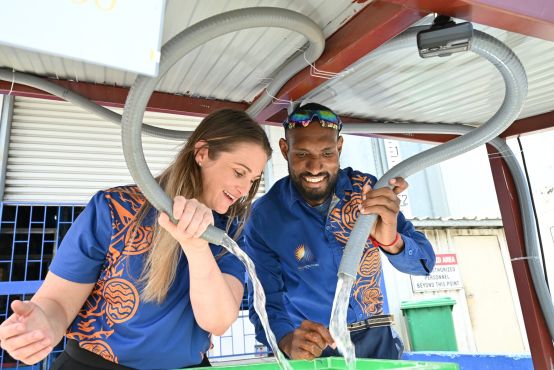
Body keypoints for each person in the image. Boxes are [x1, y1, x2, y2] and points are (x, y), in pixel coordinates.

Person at [0, 109, 272, 370]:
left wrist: (197, 246)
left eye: (253, 180)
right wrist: (43, 325)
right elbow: (58, 302)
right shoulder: (114, 208)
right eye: (239, 172)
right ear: (202, 153)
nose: (244, 189)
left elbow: (219, 321)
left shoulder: (228, 235)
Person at [245, 103, 436, 360]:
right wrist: (284, 340)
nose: (315, 167)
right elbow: (263, 297)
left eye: (326, 153)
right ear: (284, 149)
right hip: (314, 348)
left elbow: (424, 263)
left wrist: (392, 242)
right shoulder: (264, 216)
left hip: (378, 340)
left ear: (340, 147)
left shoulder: (368, 190)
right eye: (302, 154)